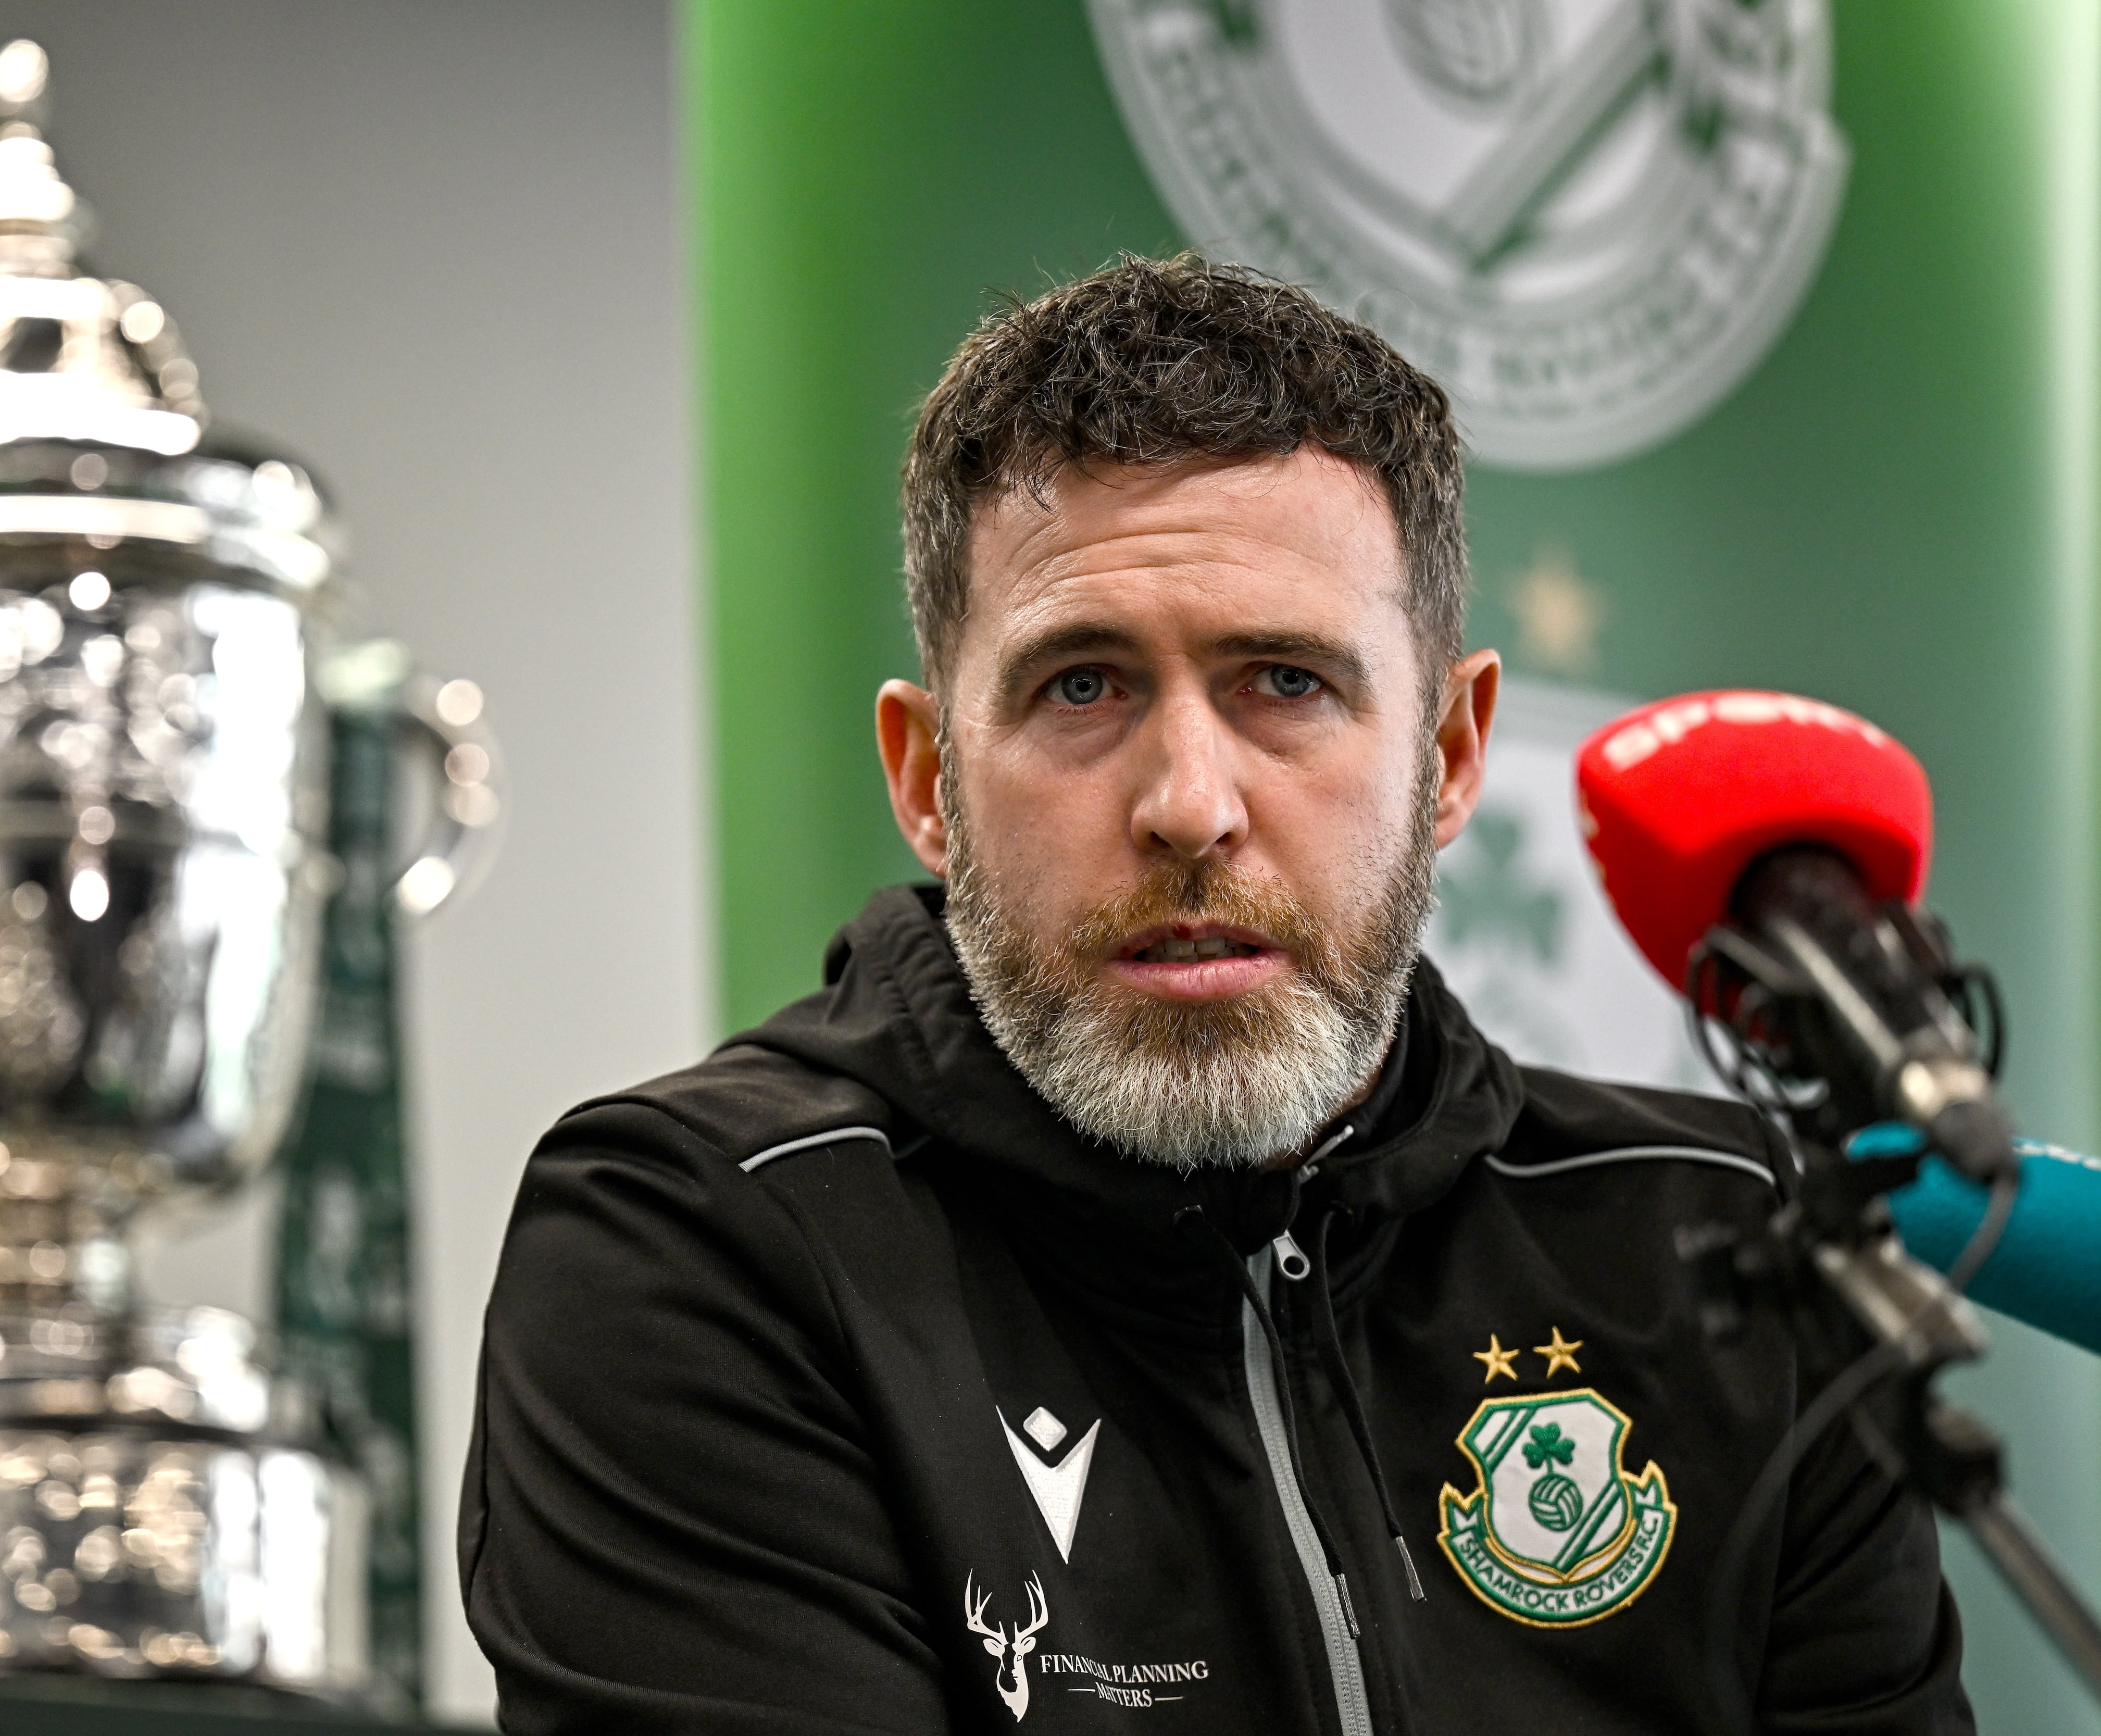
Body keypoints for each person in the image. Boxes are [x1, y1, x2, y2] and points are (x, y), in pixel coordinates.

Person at [459, 255, 1966, 1733]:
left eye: (1287, 682)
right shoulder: (703, 1241)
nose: (1190, 805)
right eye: (1082, 686)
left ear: (1449, 757)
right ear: (928, 782)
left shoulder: (1732, 1251)